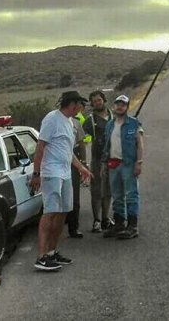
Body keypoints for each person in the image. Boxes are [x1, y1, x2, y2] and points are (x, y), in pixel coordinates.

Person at [30, 91, 93, 272]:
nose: (81, 108)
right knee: (50, 212)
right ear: (72, 104)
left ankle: (52, 252)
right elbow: (40, 146)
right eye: (80, 104)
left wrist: (81, 168)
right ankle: (41, 257)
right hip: (52, 173)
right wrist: (36, 173)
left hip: (65, 173)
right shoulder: (52, 119)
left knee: (64, 210)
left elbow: (68, 151)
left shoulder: (70, 122)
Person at [102, 94, 144, 239]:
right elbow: (107, 146)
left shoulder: (134, 123)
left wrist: (139, 162)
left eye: (123, 104)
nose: (120, 107)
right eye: (118, 104)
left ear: (127, 107)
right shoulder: (110, 125)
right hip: (113, 164)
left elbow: (140, 144)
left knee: (131, 195)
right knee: (117, 196)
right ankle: (119, 223)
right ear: (114, 106)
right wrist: (104, 164)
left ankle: (132, 226)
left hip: (128, 164)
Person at [82, 90, 113, 233]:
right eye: (94, 102)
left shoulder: (114, 116)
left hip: (113, 159)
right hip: (97, 159)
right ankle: (97, 221)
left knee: (108, 190)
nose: (97, 103)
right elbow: (81, 139)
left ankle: (106, 218)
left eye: (99, 100)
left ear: (104, 100)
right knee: (96, 191)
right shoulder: (90, 121)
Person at [65, 111, 87, 239]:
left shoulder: (76, 123)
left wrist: (83, 163)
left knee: (74, 197)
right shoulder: (55, 122)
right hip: (59, 161)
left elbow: (81, 144)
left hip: (74, 161)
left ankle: (74, 227)